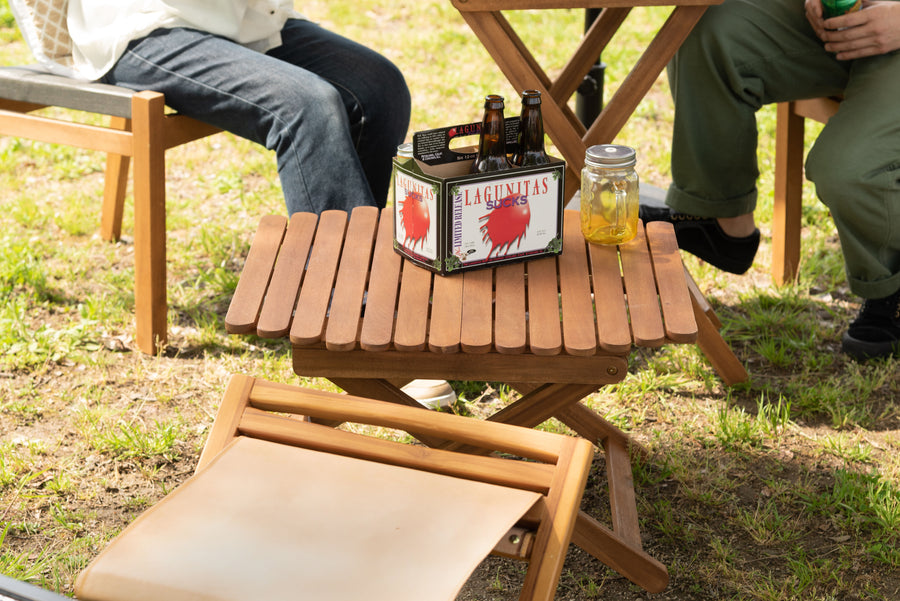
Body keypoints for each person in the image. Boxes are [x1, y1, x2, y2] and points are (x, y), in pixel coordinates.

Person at [641, 0, 900, 361]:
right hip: (849, 14)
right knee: (707, 32)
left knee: (847, 170)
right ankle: (720, 221)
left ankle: (891, 286)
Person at [44, 1, 411, 215]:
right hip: (142, 25)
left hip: (242, 20)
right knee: (305, 105)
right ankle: (339, 297)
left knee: (379, 87)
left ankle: (356, 255)